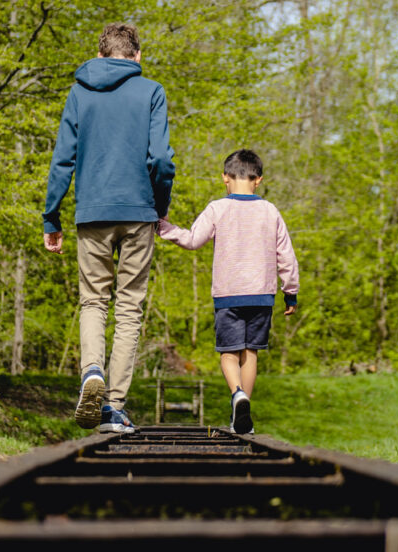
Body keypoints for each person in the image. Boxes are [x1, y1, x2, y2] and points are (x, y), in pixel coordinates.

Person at [42, 23, 176, 434]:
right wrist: (159, 206)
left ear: (100, 55)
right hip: (138, 212)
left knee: (93, 301)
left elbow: (63, 158)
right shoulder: (151, 91)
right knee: (130, 307)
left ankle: (91, 371)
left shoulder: (80, 92)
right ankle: (113, 405)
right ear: (137, 56)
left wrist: (52, 216)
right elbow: (161, 161)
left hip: (92, 213)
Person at [156, 149, 298, 434]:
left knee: (228, 353)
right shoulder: (270, 211)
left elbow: (193, 240)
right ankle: (242, 414)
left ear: (225, 177)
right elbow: (287, 255)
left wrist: (163, 227)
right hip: (261, 295)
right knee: (251, 353)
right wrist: (290, 291)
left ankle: (237, 394)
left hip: (228, 295)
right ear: (258, 180)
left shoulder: (217, 208)